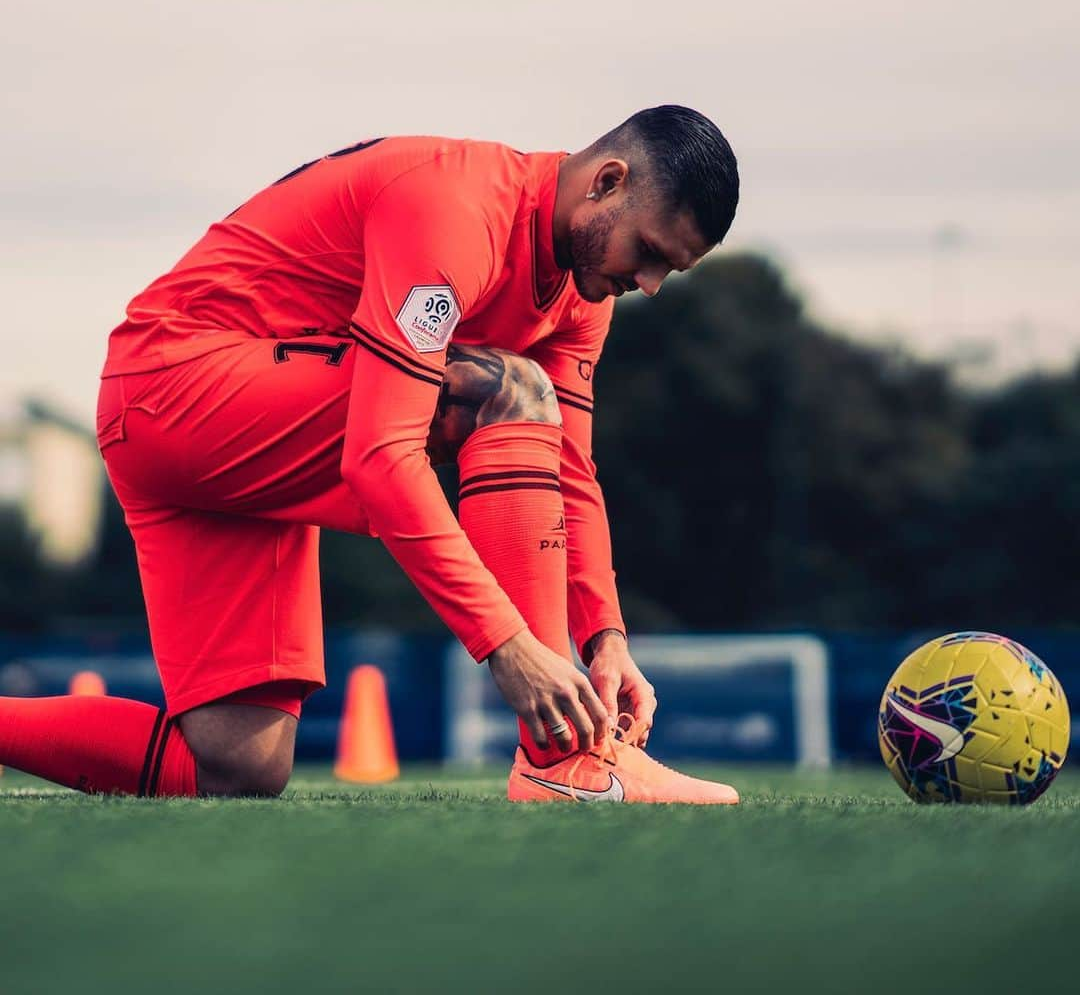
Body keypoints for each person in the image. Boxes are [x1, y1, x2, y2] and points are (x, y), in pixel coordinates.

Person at [0, 105, 740, 803]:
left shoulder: (584, 295)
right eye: (647, 252)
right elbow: (381, 456)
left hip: (238, 414)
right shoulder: (461, 209)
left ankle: (567, 748)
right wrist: (510, 648)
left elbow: (569, 472)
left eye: (668, 272)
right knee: (506, 389)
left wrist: (605, 638)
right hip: (175, 384)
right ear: (607, 181)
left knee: (237, 763)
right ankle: (561, 758)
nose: (647, 284)